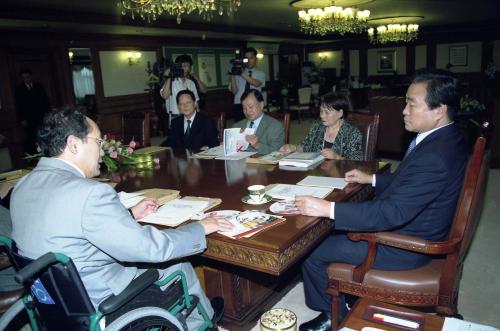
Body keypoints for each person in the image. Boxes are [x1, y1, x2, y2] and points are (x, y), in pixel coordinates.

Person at [10, 107, 234, 329]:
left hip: (52, 303)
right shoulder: (88, 193)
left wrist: (129, 215)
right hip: (101, 305)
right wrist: (200, 227)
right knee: (177, 264)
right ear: (73, 144)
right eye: (98, 142)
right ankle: (204, 322)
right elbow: (151, 249)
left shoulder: (22, 186)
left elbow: (65, 227)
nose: (102, 152)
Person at [294, 69, 469, 331]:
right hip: (418, 225)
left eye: (411, 103)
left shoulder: (434, 156)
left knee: (310, 249)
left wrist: (326, 207)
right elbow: (411, 184)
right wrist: (372, 180)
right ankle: (346, 295)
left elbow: (389, 213)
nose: (404, 111)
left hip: (405, 245)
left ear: (438, 110)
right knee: (333, 228)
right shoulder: (447, 138)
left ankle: (334, 314)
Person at [280, 92, 363, 160]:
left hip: (340, 175)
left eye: (327, 112)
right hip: (316, 172)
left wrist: (337, 157)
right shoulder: (317, 128)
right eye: (321, 111)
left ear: (340, 113)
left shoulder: (352, 134)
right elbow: (305, 146)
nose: (322, 116)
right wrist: (294, 148)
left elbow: (357, 162)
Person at [233, 89, 284, 155]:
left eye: (251, 107)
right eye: (244, 108)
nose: (247, 111)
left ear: (261, 105)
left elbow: (278, 152)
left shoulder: (275, 126)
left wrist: (257, 145)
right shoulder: (237, 126)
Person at [14, 68, 51, 153]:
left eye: (27, 77)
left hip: (41, 115)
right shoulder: (19, 89)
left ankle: (46, 152)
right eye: (24, 77)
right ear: (22, 78)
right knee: (31, 136)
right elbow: (18, 105)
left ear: (31, 77)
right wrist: (22, 119)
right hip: (28, 118)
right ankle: (34, 154)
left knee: (43, 134)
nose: (26, 79)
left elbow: (45, 101)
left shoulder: (39, 86)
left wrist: (48, 114)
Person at [160, 55, 200, 122]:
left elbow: (195, 101)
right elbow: (165, 96)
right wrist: (170, 76)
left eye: (188, 66)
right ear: (178, 66)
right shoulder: (172, 81)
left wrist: (198, 117)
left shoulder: (191, 83)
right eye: (184, 66)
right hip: (174, 117)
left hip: (190, 116)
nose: (187, 69)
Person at [230, 47, 266, 122]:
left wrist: (241, 73)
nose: (249, 61)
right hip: (239, 104)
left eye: (251, 58)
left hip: (254, 104)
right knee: (240, 128)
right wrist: (233, 75)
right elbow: (234, 92)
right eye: (246, 58)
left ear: (256, 59)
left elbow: (256, 83)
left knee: (254, 127)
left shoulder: (260, 73)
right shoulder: (238, 73)